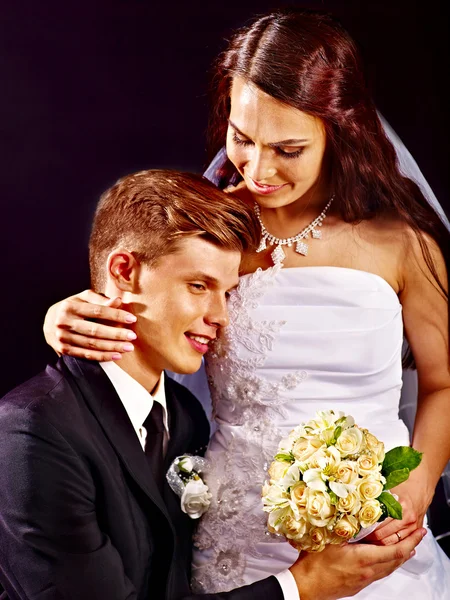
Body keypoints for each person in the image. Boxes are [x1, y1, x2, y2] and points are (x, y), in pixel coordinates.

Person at [42, 8, 450, 599]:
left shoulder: (402, 242)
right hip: (237, 530)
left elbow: (441, 385)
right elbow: (140, 296)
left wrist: (416, 486)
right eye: (242, 138)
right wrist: (64, 315)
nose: (257, 170)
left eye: (287, 148)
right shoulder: (210, 229)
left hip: (372, 526)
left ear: (342, 128)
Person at [1, 169, 423, 600]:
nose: (221, 316)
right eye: (199, 286)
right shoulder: (32, 431)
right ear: (124, 272)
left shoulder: (184, 417)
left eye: (228, 292)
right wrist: (301, 587)